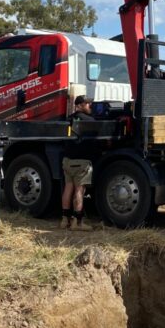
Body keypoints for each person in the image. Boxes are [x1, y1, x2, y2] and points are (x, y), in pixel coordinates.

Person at [60, 95, 96, 230]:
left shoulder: (68, 119)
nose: (90, 106)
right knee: (79, 190)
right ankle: (77, 222)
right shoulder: (90, 121)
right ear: (80, 105)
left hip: (68, 161)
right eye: (87, 104)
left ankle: (64, 220)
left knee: (68, 188)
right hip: (82, 162)